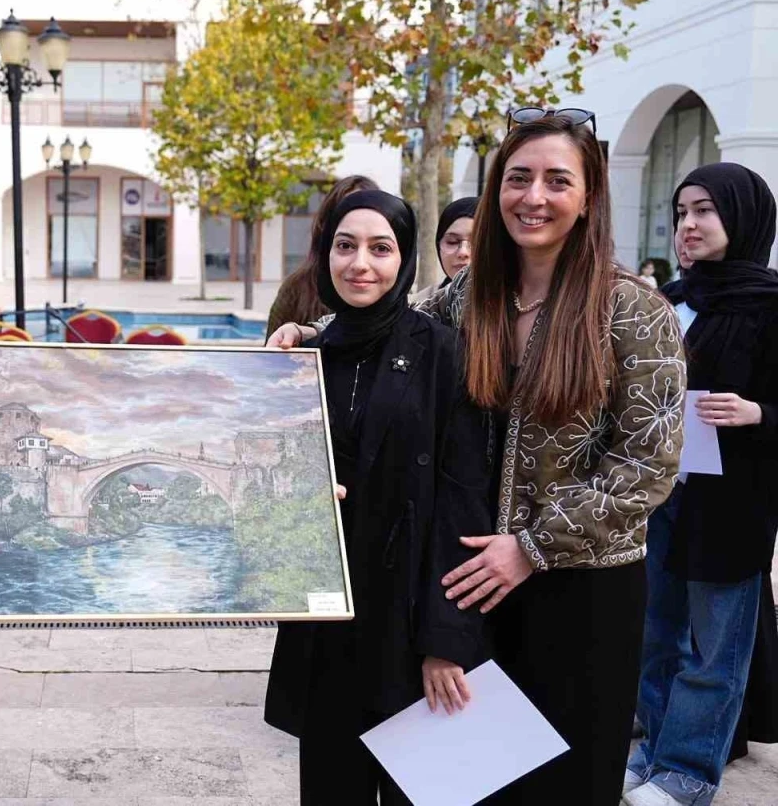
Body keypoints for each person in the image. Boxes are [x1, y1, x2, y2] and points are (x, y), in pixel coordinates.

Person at [271, 112, 687, 803]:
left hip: (581, 588)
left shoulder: (633, 310)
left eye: (558, 181)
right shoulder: (471, 297)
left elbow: (648, 464)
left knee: (569, 782)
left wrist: (529, 547)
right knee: (473, 783)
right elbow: (385, 321)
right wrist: (307, 333)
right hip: (476, 585)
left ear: (588, 196)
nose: (535, 196)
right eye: (518, 178)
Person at [263, 189, 493, 805]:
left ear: (405, 261)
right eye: (345, 246)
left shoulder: (443, 353)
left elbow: (464, 501)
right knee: (331, 785)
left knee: (416, 791)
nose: (360, 264)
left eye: (380, 248)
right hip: (329, 618)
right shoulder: (303, 358)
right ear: (324, 257)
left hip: (409, 613)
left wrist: (447, 641)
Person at [625, 163, 778, 806]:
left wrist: (759, 413)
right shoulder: (673, 302)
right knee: (655, 631)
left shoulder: (771, 307)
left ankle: (689, 771)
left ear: (742, 217)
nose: (688, 224)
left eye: (705, 211)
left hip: (732, 503)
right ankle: (652, 752)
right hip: (660, 494)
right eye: (681, 211)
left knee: (714, 647)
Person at [265, 175, 379, 338]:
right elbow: (270, 357)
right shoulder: (297, 289)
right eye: (345, 245)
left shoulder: (396, 295)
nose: (359, 264)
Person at [411, 196, 478, 305]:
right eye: (452, 242)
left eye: (477, 241)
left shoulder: (513, 309)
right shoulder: (419, 307)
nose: (463, 252)